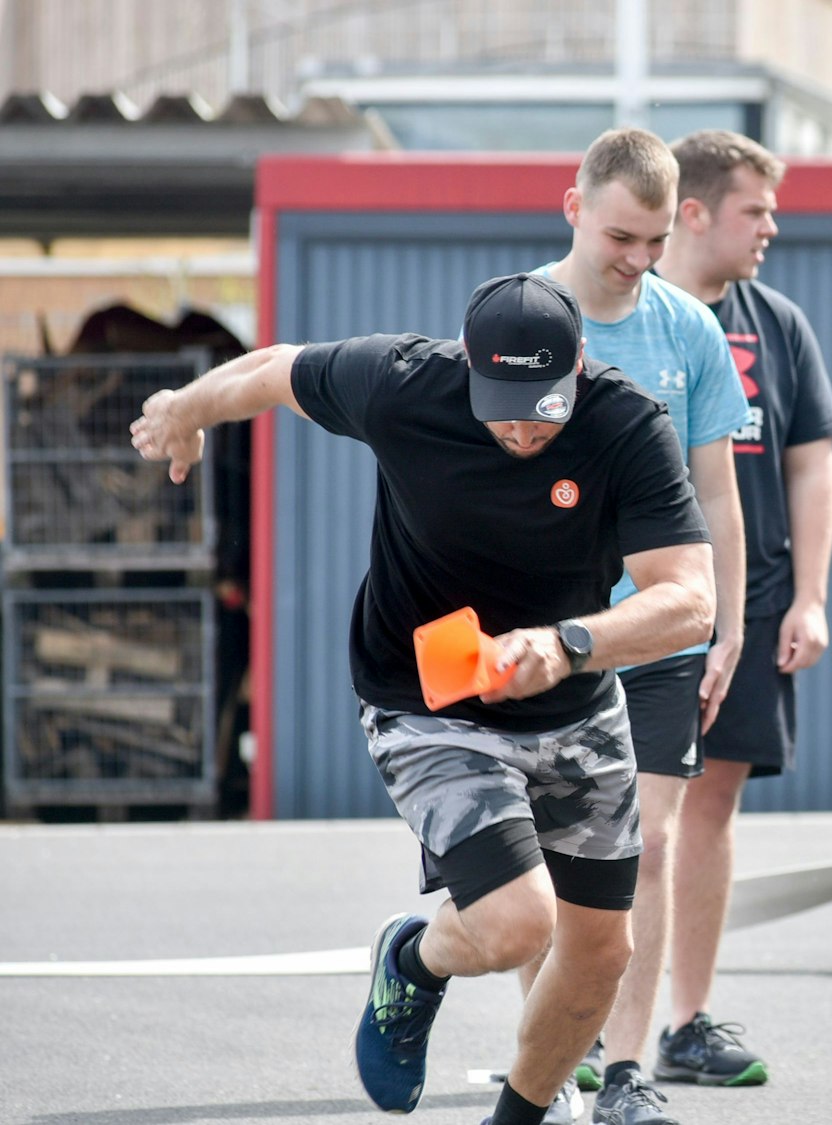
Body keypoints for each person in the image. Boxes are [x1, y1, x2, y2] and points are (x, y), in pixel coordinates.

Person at [128, 273, 717, 1125]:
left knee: (599, 953)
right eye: (504, 409)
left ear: (581, 362)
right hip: (427, 702)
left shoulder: (627, 426)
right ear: (468, 364)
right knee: (518, 925)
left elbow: (690, 600)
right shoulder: (402, 382)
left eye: (545, 408)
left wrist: (567, 645)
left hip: (573, 704)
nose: (523, 429)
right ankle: (414, 962)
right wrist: (187, 409)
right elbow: (273, 369)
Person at [519, 125, 749, 1125]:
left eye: (656, 242)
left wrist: (728, 621)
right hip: (540, 637)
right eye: (620, 237)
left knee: (646, 847)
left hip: (657, 633)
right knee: (541, 866)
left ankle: (623, 1070)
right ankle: (549, 1056)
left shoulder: (688, 329)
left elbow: (716, 492)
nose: (638, 259)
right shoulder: (519, 316)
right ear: (574, 208)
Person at [620, 127, 832, 1093]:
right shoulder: (627, 312)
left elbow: (812, 463)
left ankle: (685, 1022)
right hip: (628, 608)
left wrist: (811, 597)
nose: (770, 227)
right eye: (756, 209)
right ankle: (589, 1025)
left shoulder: (777, 325)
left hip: (747, 603)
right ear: (695, 211)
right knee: (623, 821)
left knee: (708, 807)